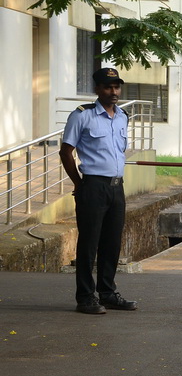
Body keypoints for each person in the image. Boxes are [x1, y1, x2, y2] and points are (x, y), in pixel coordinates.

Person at [60, 67, 136, 315]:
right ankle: (85, 297)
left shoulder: (123, 116)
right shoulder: (82, 116)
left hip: (116, 187)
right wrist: (78, 183)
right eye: (108, 87)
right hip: (93, 186)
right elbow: (66, 151)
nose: (114, 91)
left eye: (116, 87)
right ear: (97, 89)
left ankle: (108, 293)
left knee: (112, 243)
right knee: (89, 243)